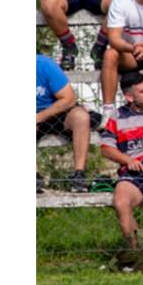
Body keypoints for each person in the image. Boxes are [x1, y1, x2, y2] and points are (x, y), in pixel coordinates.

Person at [100, 72, 143, 247]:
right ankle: (140, 252)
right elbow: (106, 148)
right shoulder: (117, 117)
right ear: (129, 97)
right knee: (121, 203)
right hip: (134, 170)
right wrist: (127, 160)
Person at [36, 53, 100, 192]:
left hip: (56, 112)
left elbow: (69, 99)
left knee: (81, 117)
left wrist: (40, 116)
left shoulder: (44, 65)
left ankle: (79, 175)